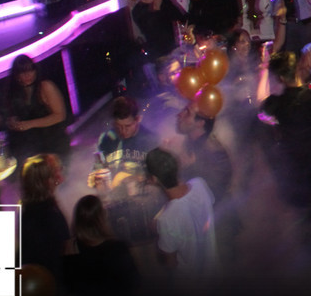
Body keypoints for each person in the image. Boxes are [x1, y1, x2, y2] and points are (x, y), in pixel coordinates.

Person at [256, 51, 311, 213]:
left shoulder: (277, 102)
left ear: (281, 78)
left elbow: (260, 107)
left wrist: (264, 69)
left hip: (295, 163)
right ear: (299, 69)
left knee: (303, 207)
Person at [145, 148, 219, 281]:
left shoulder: (166, 220)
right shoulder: (200, 184)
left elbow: (171, 263)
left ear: (154, 179)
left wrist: (159, 232)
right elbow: (199, 207)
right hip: (212, 272)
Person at [65, 195, 140, 296]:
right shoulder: (116, 248)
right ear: (101, 218)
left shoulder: (72, 250)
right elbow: (135, 282)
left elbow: (71, 288)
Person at [5, 55, 70, 164]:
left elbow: (60, 115)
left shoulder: (45, 86)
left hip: (53, 143)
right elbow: (13, 115)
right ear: (16, 75)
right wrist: (12, 122)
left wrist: (29, 124)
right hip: (31, 148)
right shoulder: (15, 93)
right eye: (23, 72)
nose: (27, 75)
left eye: (30, 70)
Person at [20, 154, 73, 283]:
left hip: (36, 279)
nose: (58, 179)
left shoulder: (26, 210)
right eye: (53, 175)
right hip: (52, 281)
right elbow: (67, 248)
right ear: (46, 182)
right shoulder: (50, 214)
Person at [91, 96, 159, 196]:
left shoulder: (151, 140)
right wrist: (96, 179)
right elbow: (97, 170)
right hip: (113, 198)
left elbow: (158, 179)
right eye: (119, 126)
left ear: (137, 119)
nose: (123, 131)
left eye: (128, 126)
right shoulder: (106, 140)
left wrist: (129, 178)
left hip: (142, 198)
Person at [174, 100, 232, 205]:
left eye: (187, 113)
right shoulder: (191, 142)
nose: (179, 115)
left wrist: (189, 168)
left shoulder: (215, 152)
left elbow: (215, 192)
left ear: (200, 123)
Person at [129, 0, 186, 65]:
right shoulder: (138, 10)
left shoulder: (163, 0)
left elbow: (180, 17)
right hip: (158, 56)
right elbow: (152, 31)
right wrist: (156, 7)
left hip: (174, 50)